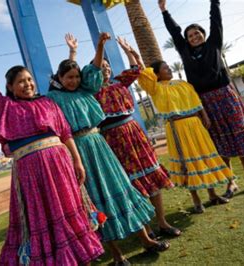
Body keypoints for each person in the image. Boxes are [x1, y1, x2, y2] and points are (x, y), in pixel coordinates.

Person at [0, 39, 104, 265]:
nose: (27, 84)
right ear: (10, 87)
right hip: (30, 173)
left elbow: (65, 134)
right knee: (42, 217)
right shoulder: (5, 107)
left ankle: (79, 258)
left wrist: (77, 161)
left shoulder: (48, 103)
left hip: (59, 166)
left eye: (29, 80)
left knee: (68, 211)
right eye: (20, 82)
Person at [48, 33, 169, 265]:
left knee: (122, 186)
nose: (73, 80)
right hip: (78, 151)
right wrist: (72, 53)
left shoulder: (87, 90)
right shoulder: (53, 98)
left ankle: (146, 239)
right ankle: (117, 255)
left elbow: (94, 68)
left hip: (100, 145)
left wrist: (100, 46)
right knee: (95, 198)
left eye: (76, 76)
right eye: (68, 77)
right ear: (60, 78)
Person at [158, 0, 244, 198]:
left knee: (238, 134)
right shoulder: (184, 51)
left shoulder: (214, 44)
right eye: (190, 35)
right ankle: (230, 182)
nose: (194, 37)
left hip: (225, 96)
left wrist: (214, 2)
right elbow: (175, 32)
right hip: (205, 103)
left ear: (204, 35)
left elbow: (216, 20)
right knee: (218, 141)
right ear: (186, 40)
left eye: (197, 33)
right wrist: (164, 11)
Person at [85, 35, 180, 237]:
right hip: (112, 139)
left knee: (150, 174)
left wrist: (129, 50)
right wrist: (100, 46)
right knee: (128, 184)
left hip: (134, 133)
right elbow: (93, 70)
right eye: (101, 66)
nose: (106, 69)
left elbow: (136, 68)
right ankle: (144, 230)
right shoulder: (92, 91)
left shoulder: (120, 82)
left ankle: (162, 222)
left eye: (108, 66)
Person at [138, 60, 236, 213]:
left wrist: (205, 116)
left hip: (195, 125)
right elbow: (145, 75)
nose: (169, 69)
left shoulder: (183, 84)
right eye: (165, 68)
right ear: (156, 74)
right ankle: (196, 200)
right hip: (177, 128)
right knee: (188, 162)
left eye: (168, 66)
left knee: (203, 158)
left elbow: (196, 100)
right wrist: (136, 57)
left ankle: (212, 195)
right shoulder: (155, 88)